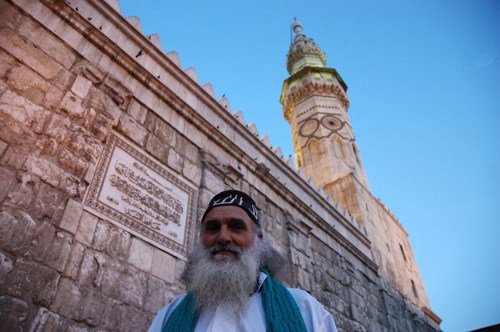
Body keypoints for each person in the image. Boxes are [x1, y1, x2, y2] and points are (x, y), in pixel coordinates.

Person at [148, 189, 338, 332]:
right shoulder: (169, 315)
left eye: (236, 227)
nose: (223, 237)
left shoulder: (303, 309)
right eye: (213, 228)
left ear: (259, 239)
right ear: (201, 239)